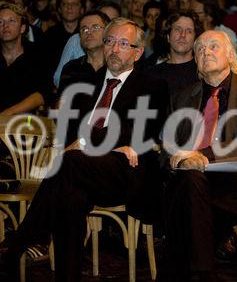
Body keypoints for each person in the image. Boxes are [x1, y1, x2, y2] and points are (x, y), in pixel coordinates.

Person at [1, 17, 169, 281]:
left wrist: (82, 143)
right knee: (72, 196)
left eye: (123, 44)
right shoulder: (88, 84)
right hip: (83, 171)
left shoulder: (152, 86)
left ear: (137, 53)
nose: (114, 49)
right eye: (110, 42)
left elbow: (135, 134)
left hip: (126, 174)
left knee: (70, 162)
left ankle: (19, 242)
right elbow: (74, 130)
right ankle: (66, 276)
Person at [160, 30, 237, 282]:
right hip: (190, 181)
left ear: (231, 55)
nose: (205, 52)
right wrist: (179, 157)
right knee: (190, 183)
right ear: (196, 62)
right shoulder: (182, 97)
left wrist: (203, 155)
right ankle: (204, 272)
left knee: (185, 198)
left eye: (213, 46)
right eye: (200, 49)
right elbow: (166, 144)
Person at [0, 3, 49, 115]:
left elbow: (41, 94)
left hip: (25, 123)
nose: (5, 26)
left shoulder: (36, 54)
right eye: (0, 22)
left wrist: (6, 114)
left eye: (11, 21)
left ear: (22, 28)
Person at [144, 11, 203, 95]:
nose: (183, 35)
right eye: (178, 29)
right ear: (168, 37)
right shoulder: (151, 74)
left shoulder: (203, 72)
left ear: (195, 39)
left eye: (189, 31)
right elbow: (142, 106)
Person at [58, 10, 110, 96]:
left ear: (108, 32)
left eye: (95, 27)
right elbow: (62, 103)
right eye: (84, 29)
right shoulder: (71, 68)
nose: (89, 32)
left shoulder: (117, 65)